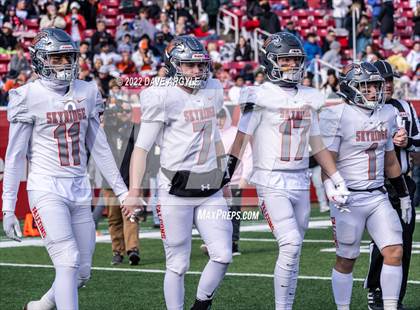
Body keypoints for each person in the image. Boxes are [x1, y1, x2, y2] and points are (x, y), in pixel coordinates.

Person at [2, 28, 128, 310]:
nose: (64, 64)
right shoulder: (27, 95)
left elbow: (99, 145)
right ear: (40, 60)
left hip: (79, 188)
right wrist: (8, 207)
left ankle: (40, 307)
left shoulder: (87, 91)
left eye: (68, 57)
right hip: (47, 188)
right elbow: (14, 156)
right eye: (56, 58)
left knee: (81, 272)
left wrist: (122, 191)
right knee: (67, 260)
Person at [226, 32, 350, 310]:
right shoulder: (259, 95)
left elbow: (316, 143)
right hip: (271, 179)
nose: (292, 65)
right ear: (270, 61)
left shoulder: (309, 96)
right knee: (291, 243)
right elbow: (240, 139)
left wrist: (337, 178)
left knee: (295, 250)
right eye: (285, 59)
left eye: (296, 59)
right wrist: (226, 173)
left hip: (300, 178)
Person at [122, 36, 232, 310]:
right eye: (189, 65)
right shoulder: (161, 95)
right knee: (178, 263)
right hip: (175, 189)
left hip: (211, 187)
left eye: (199, 65)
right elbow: (142, 149)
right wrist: (135, 191)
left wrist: (224, 175)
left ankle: (200, 304)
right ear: (174, 66)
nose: (196, 71)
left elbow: (215, 135)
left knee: (223, 255)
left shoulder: (213, 88)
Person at [319, 62, 411, 310]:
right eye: (366, 85)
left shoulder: (387, 113)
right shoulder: (336, 115)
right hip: (349, 199)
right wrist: (330, 188)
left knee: (394, 252)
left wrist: (403, 195)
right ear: (351, 88)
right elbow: (327, 160)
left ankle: (390, 307)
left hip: (378, 196)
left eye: (375, 85)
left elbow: (390, 159)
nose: (373, 90)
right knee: (346, 260)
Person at [364, 60, 420, 310]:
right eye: (382, 80)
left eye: (389, 80)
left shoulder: (405, 108)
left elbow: (419, 144)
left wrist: (406, 142)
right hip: (376, 184)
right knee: (383, 241)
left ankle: (395, 297)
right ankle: (376, 290)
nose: (387, 85)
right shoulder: (361, 109)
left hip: (404, 184)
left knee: (404, 242)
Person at [102, 101, 141, 266]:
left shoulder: (134, 130)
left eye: (127, 111)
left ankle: (133, 250)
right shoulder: (107, 130)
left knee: (130, 216)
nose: (125, 114)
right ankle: (117, 251)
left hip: (128, 182)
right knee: (114, 219)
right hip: (110, 182)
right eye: (121, 112)